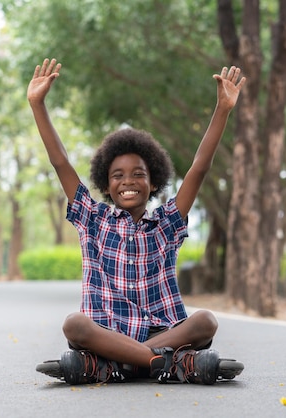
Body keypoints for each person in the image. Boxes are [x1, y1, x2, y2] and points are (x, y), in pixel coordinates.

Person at [28, 58, 246, 385]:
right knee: (75, 324)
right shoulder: (92, 219)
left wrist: (223, 110)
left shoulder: (166, 224)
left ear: (153, 182)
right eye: (118, 176)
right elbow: (60, 160)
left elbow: (199, 168)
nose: (128, 181)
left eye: (138, 174)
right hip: (106, 332)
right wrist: (37, 104)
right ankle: (171, 364)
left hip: (162, 330)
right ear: (106, 185)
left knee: (206, 321)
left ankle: (113, 365)